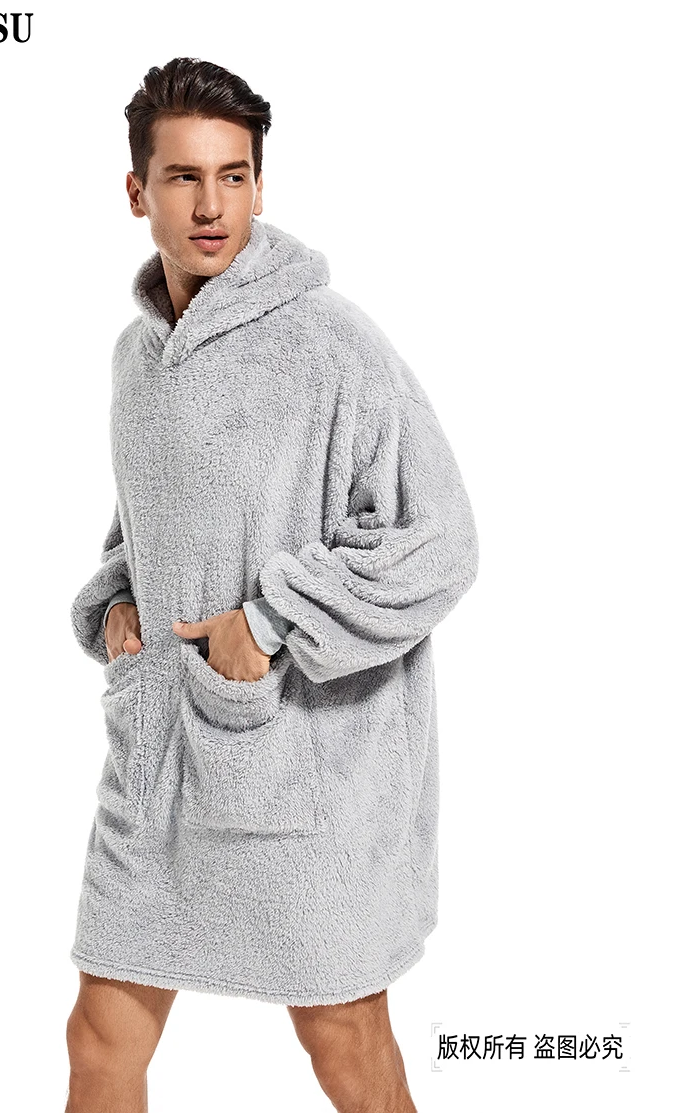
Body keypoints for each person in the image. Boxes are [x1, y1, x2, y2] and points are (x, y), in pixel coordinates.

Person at [64, 56, 479, 1113]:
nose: (211, 205)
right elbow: (146, 524)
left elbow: (438, 539)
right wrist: (118, 601)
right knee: (100, 1032)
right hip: (157, 765)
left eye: (234, 176)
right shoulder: (134, 361)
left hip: (303, 773)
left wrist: (269, 620)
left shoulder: (329, 343)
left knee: (345, 1039)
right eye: (184, 177)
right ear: (136, 192)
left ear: (259, 184)